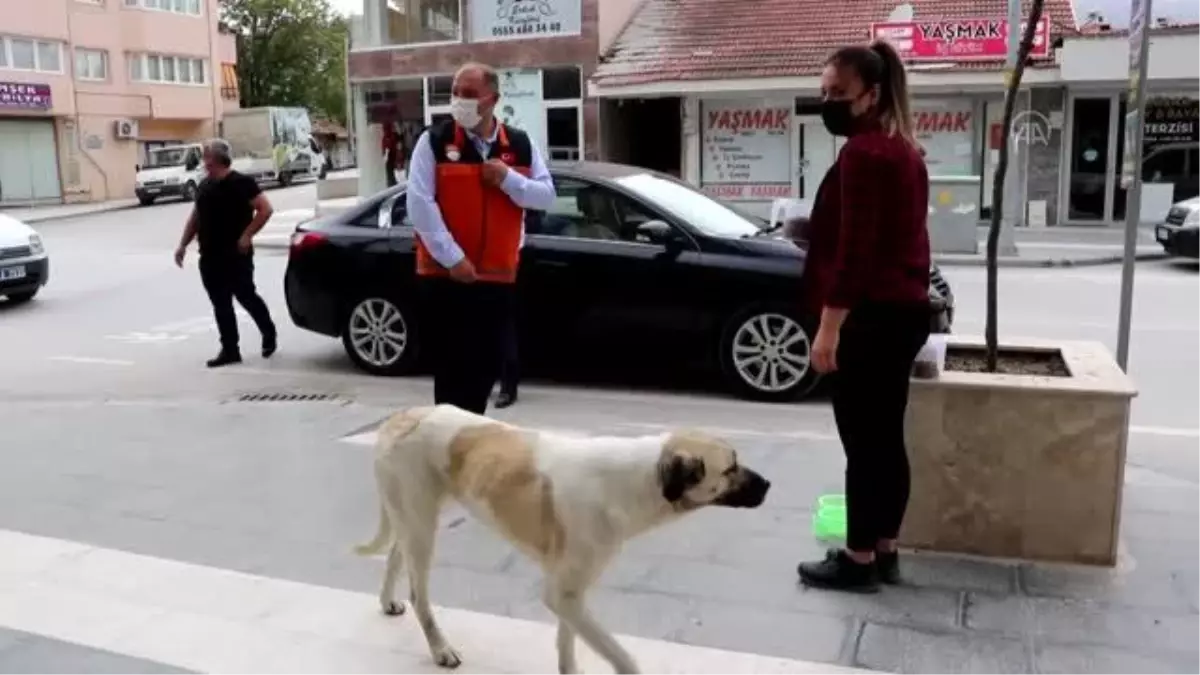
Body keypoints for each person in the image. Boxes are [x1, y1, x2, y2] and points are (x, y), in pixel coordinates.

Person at [795, 41, 933, 593]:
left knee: (863, 444)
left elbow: (856, 254)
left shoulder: (863, 154)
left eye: (838, 93)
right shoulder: (903, 149)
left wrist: (829, 328)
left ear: (871, 94)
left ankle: (856, 561)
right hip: (902, 312)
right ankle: (884, 550)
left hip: (869, 319)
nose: (827, 101)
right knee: (886, 439)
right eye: (823, 91)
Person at [406, 62, 555, 415]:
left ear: (494, 99)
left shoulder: (519, 145)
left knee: (484, 372)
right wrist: (453, 258)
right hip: (446, 277)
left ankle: (469, 450)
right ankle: (447, 451)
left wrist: (507, 179)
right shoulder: (434, 142)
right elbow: (419, 204)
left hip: (495, 279)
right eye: (455, 92)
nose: (459, 101)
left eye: (470, 94)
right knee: (450, 375)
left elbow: (545, 196)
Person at [174, 139, 278, 368]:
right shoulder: (204, 185)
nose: (203, 161)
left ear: (217, 159)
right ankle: (230, 349)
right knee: (221, 303)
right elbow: (195, 218)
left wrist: (247, 235)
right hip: (210, 255)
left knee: (245, 296)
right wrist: (182, 245)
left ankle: (268, 331)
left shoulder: (242, 183)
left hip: (236, 254)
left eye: (206, 156)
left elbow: (265, 209)